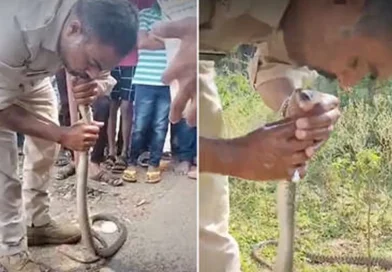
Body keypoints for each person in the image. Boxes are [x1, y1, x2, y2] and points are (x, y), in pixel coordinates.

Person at [0, 0, 138, 271]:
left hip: (31, 75)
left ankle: (36, 223)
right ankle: (11, 251)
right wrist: (62, 135)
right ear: (74, 29)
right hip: (5, 73)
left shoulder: (92, 26)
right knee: (4, 171)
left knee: (45, 147)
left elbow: (103, 73)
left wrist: (97, 84)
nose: (92, 72)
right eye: (91, 64)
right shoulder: (13, 27)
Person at [122, 2, 171, 184]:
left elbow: (183, 44)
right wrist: (169, 41)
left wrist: (155, 38)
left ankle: (154, 164)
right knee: (140, 125)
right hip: (144, 80)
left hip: (167, 81)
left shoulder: (176, 18)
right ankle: (131, 163)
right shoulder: (145, 15)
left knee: (160, 126)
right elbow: (142, 42)